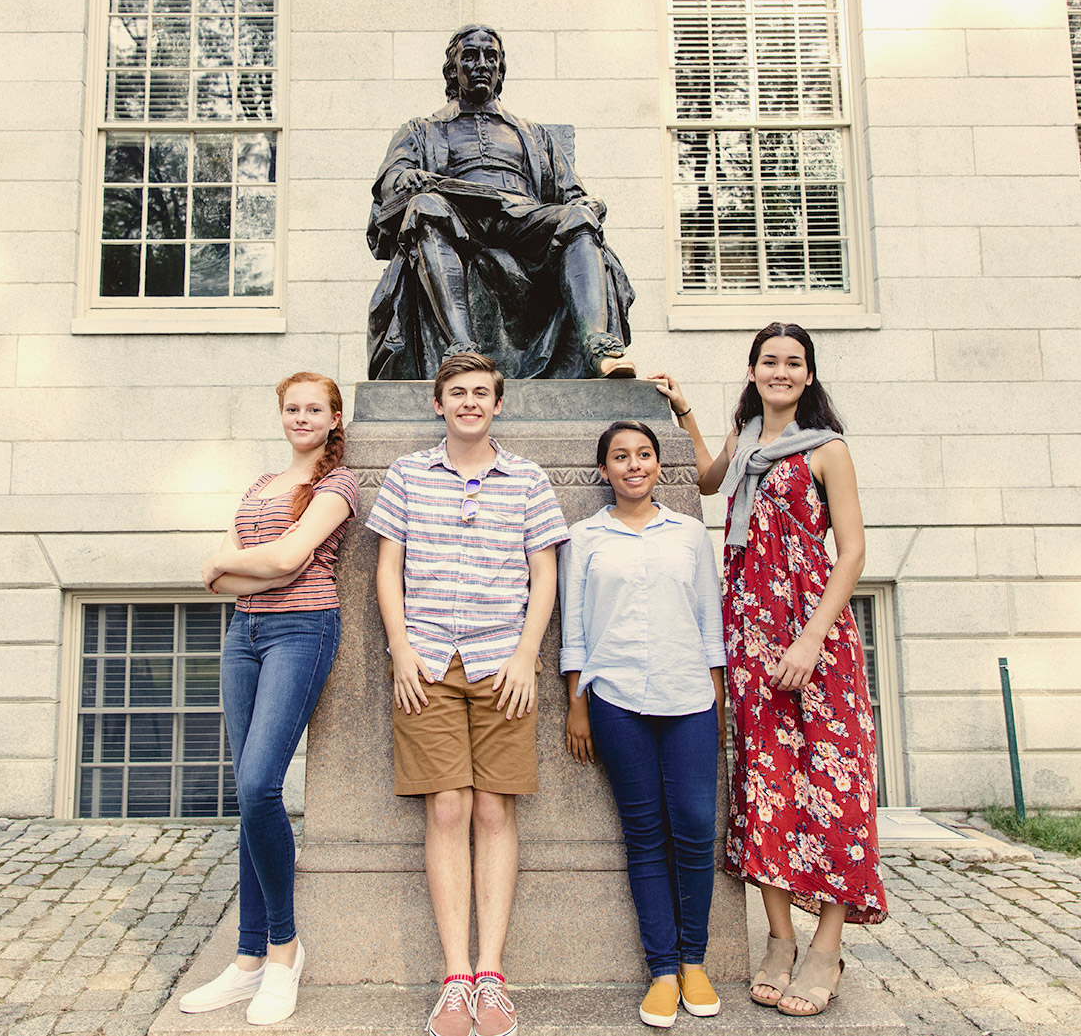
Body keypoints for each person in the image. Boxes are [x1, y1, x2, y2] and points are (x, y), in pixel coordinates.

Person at [651, 324, 887, 1018]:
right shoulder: (748, 437)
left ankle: (827, 944)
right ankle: (779, 939)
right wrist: (688, 413)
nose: (780, 371)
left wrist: (812, 638)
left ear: (809, 375)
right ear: (752, 370)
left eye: (793, 362)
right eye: (768, 361)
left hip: (813, 636)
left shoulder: (826, 449)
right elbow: (704, 480)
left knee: (833, 781)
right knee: (767, 783)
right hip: (750, 632)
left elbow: (852, 552)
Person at [367, 351, 568, 1036]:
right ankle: (455, 976)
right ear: (439, 403)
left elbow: (545, 575)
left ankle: (492, 974)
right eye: (458, 392)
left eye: (482, 392)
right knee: (447, 807)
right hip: (426, 661)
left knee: (492, 808)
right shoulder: (406, 475)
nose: (470, 402)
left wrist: (525, 654)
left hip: (500, 663)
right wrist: (399, 648)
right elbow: (387, 568)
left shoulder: (529, 479)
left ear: (499, 404)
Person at [178, 372, 360, 1026]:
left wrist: (223, 565)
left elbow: (286, 559)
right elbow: (244, 563)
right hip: (244, 634)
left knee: (259, 786)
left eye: (315, 408)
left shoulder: (338, 485)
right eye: (293, 407)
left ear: (336, 418)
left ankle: (285, 951)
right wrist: (233, 566)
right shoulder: (261, 485)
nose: (302, 416)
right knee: (247, 796)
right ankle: (248, 958)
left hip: (302, 629)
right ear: (281, 415)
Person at [559, 420, 727, 1028]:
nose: (634, 465)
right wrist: (577, 702)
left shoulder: (689, 534)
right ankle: (662, 969)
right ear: (603, 470)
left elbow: (711, 621)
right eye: (620, 457)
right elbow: (574, 629)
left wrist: (717, 699)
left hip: (689, 698)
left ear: (659, 465)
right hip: (616, 698)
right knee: (644, 832)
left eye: (645, 455)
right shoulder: (583, 537)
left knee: (694, 823)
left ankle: (695, 961)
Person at [365, 24, 636, 381]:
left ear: (500, 70)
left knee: (579, 219)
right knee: (424, 207)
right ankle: (460, 347)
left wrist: (590, 205)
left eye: (490, 57)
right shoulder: (422, 129)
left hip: (523, 219)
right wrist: (403, 179)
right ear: (452, 70)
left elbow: (570, 193)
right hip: (460, 216)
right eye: (470, 56)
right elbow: (391, 178)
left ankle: (598, 346)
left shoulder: (533, 132)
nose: (481, 64)